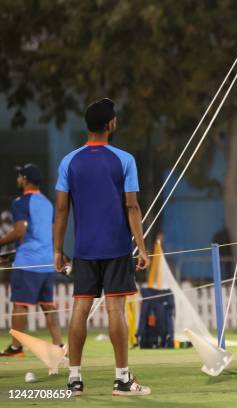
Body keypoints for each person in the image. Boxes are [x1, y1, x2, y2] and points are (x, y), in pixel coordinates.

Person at [53, 98, 152, 396]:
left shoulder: (69, 161)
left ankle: (74, 379)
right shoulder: (124, 159)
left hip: (83, 249)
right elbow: (132, 206)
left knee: (80, 309)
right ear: (110, 124)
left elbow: (61, 210)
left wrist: (57, 250)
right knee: (116, 311)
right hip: (117, 247)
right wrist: (142, 247)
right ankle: (122, 379)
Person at [0, 164, 63, 356]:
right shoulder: (47, 203)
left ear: (25, 179)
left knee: (20, 304)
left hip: (27, 262)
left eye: (20, 175)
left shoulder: (20, 202)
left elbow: (19, 231)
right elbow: (51, 234)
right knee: (48, 306)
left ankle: (16, 347)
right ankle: (59, 346)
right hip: (45, 262)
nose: (18, 178)